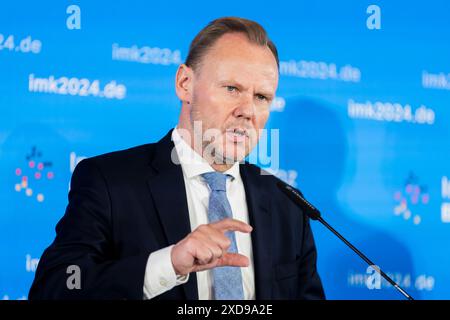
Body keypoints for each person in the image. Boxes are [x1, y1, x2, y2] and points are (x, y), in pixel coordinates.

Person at [29, 17, 325, 300]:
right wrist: (169, 264)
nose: (248, 110)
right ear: (185, 83)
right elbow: (56, 288)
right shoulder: (109, 181)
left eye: (261, 97)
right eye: (232, 88)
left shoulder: (287, 203)